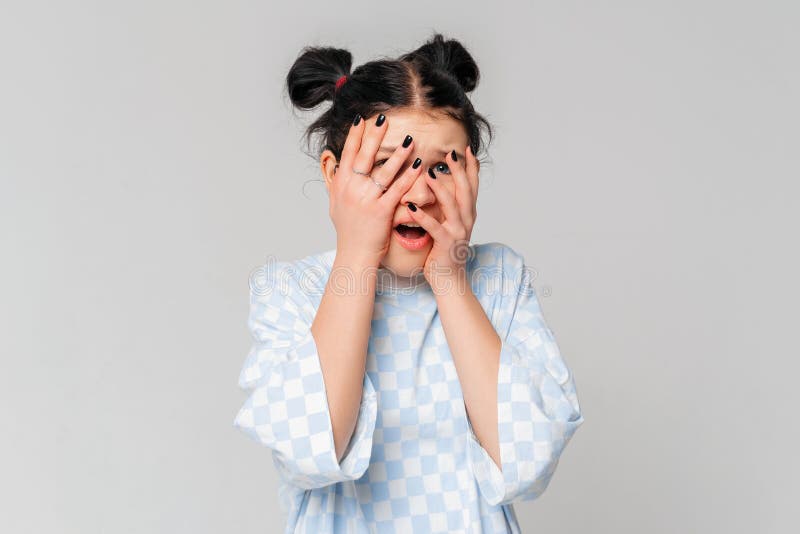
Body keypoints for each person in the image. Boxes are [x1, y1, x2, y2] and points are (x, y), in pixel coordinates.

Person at [233, 32, 584, 533]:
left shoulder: (500, 279)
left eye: (442, 167)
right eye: (387, 166)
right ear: (334, 174)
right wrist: (356, 253)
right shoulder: (292, 290)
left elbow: (527, 463)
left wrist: (449, 277)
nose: (418, 191)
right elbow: (308, 450)